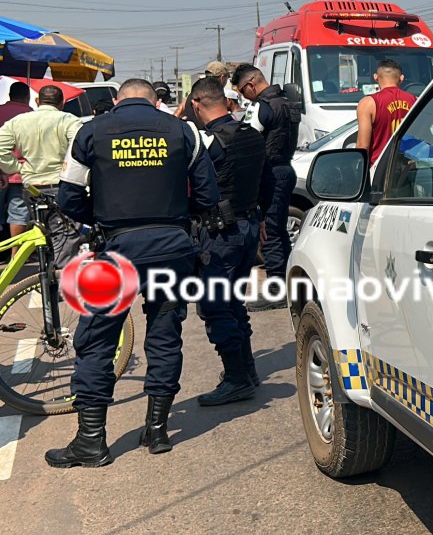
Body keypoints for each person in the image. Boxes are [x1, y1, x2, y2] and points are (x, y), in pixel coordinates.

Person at [48, 79, 220, 467]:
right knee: (164, 334)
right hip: (173, 249)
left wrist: (106, 222)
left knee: (97, 340)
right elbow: (208, 196)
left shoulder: (91, 131)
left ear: (117, 99)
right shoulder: (185, 131)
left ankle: (91, 441)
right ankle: (157, 431)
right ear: (154, 100)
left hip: (117, 250)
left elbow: (69, 199)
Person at [189, 77, 266, 404]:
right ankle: (246, 370)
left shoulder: (208, 142)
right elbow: (265, 181)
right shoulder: (251, 134)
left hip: (221, 234)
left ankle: (236, 377)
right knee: (234, 302)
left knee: (216, 305)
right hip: (248, 226)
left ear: (196, 105)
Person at [233, 65, 299, 311]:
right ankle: (286, 285)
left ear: (250, 85)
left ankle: (277, 291)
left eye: (242, 91)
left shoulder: (262, 106)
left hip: (269, 174)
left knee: (268, 233)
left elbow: (246, 140)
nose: (242, 97)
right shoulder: (287, 102)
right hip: (285, 169)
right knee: (279, 231)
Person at [0, 85, 83, 268]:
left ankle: (46, 272)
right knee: (65, 234)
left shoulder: (18, 122)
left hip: (31, 186)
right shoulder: (69, 121)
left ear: (38, 101)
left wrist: (16, 168)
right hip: (61, 184)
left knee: (40, 229)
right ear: (61, 103)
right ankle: (60, 276)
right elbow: (80, 149)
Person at [356, 59, 416, 165]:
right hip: (407, 167)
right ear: (401, 78)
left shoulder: (368, 103)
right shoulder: (414, 100)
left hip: (380, 170)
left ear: (375, 77)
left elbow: (362, 146)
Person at [0, 82, 33, 240]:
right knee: (18, 213)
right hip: (20, 172)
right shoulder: (31, 115)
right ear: (28, 97)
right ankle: (15, 254)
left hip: (1, 171)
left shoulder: (0, 111)